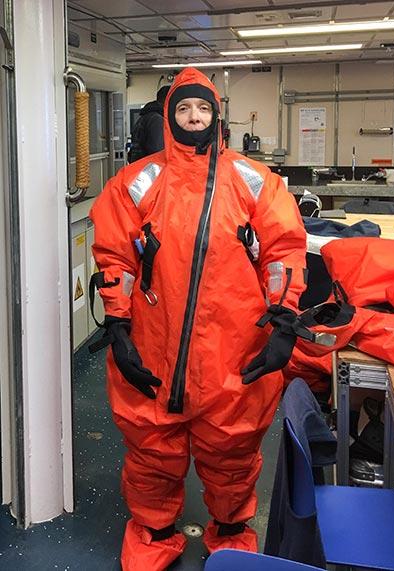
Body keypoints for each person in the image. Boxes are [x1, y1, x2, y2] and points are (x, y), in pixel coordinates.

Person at [90, 67, 307, 571]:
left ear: (216, 115)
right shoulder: (139, 181)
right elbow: (115, 256)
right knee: (151, 449)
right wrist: (119, 327)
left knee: (232, 448)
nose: (193, 118)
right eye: (184, 109)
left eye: (202, 109)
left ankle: (230, 531)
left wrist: (283, 320)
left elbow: (283, 251)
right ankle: (154, 532)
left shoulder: (254, 181)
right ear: (170, 115)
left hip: (232, 347)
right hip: (153, 345)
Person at [127, 85, 170, 163]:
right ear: (168, 99)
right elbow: (158, 152)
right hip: (150, 169)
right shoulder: (157, 120)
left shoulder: (143, 117)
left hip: (138, 167)